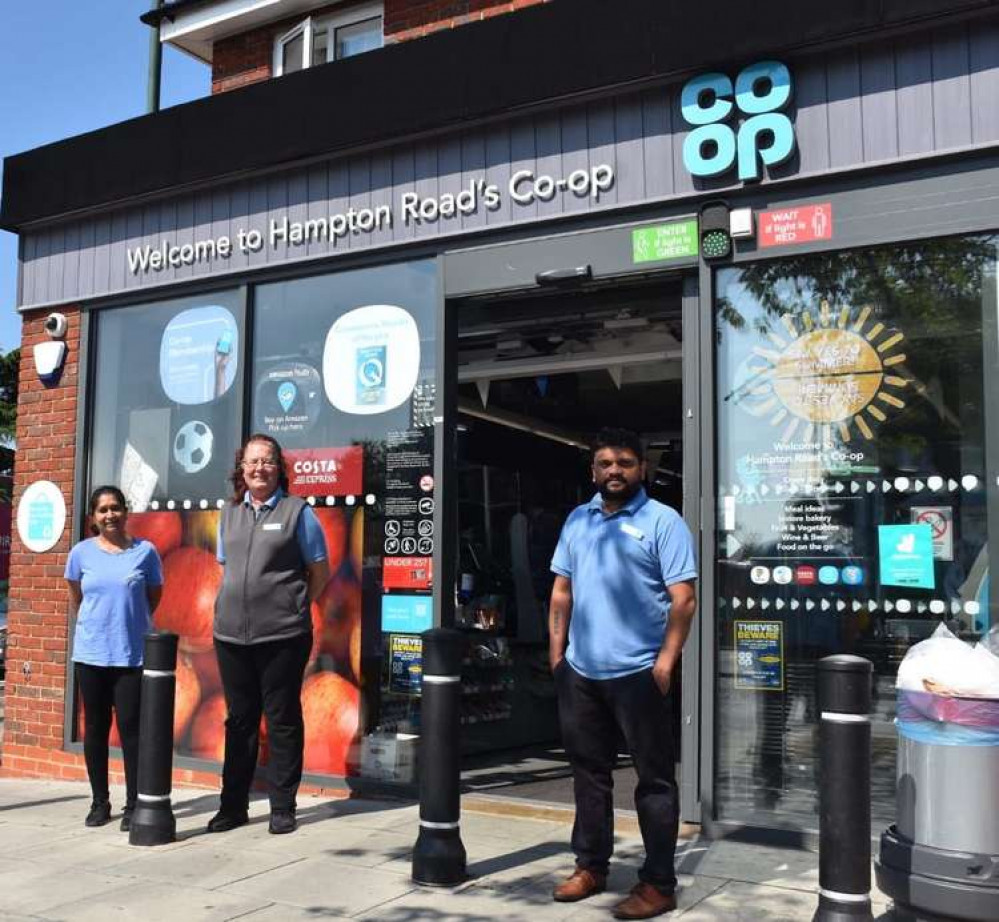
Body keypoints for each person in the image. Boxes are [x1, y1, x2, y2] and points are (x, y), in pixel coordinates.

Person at [549, 428, 697, 920]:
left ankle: (658, 884)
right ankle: (591, 866)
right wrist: (558, 659)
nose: (615, 471)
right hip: (581, 672)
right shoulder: (577, 520)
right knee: (589, 774)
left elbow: (684, 600)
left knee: (654, 781)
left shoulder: (663, 521)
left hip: (638, 674)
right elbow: (561, 592)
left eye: (626, 463)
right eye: (606, 463)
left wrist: (665, 663)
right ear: (593, 470)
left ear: (642, 469)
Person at [207, 434, 329, 835]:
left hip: (283, 637)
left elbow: (319, 571)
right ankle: (233, 806)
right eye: (252, 461)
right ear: (241, 468)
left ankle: (282, 806)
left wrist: (293, 607)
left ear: (279, 468)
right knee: (239, 721)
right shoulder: (229, 514)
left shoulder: (298, 513)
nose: (259, 468)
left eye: (268, 461)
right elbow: (228, 566)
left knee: (281, 719)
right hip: (231, 636)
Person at [65, 485, 163, 831]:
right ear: (93, 517)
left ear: (125, 511)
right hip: (91, 655)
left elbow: (153, 598)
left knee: (132, 731)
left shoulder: (145, 552)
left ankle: (134, 804)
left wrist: (129, 624)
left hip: (130, 656)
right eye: (103, 510)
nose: (110, 515)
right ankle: (99, 801)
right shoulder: (80, 554)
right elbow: (78, 598)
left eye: (115, 508)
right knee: (95, 729)